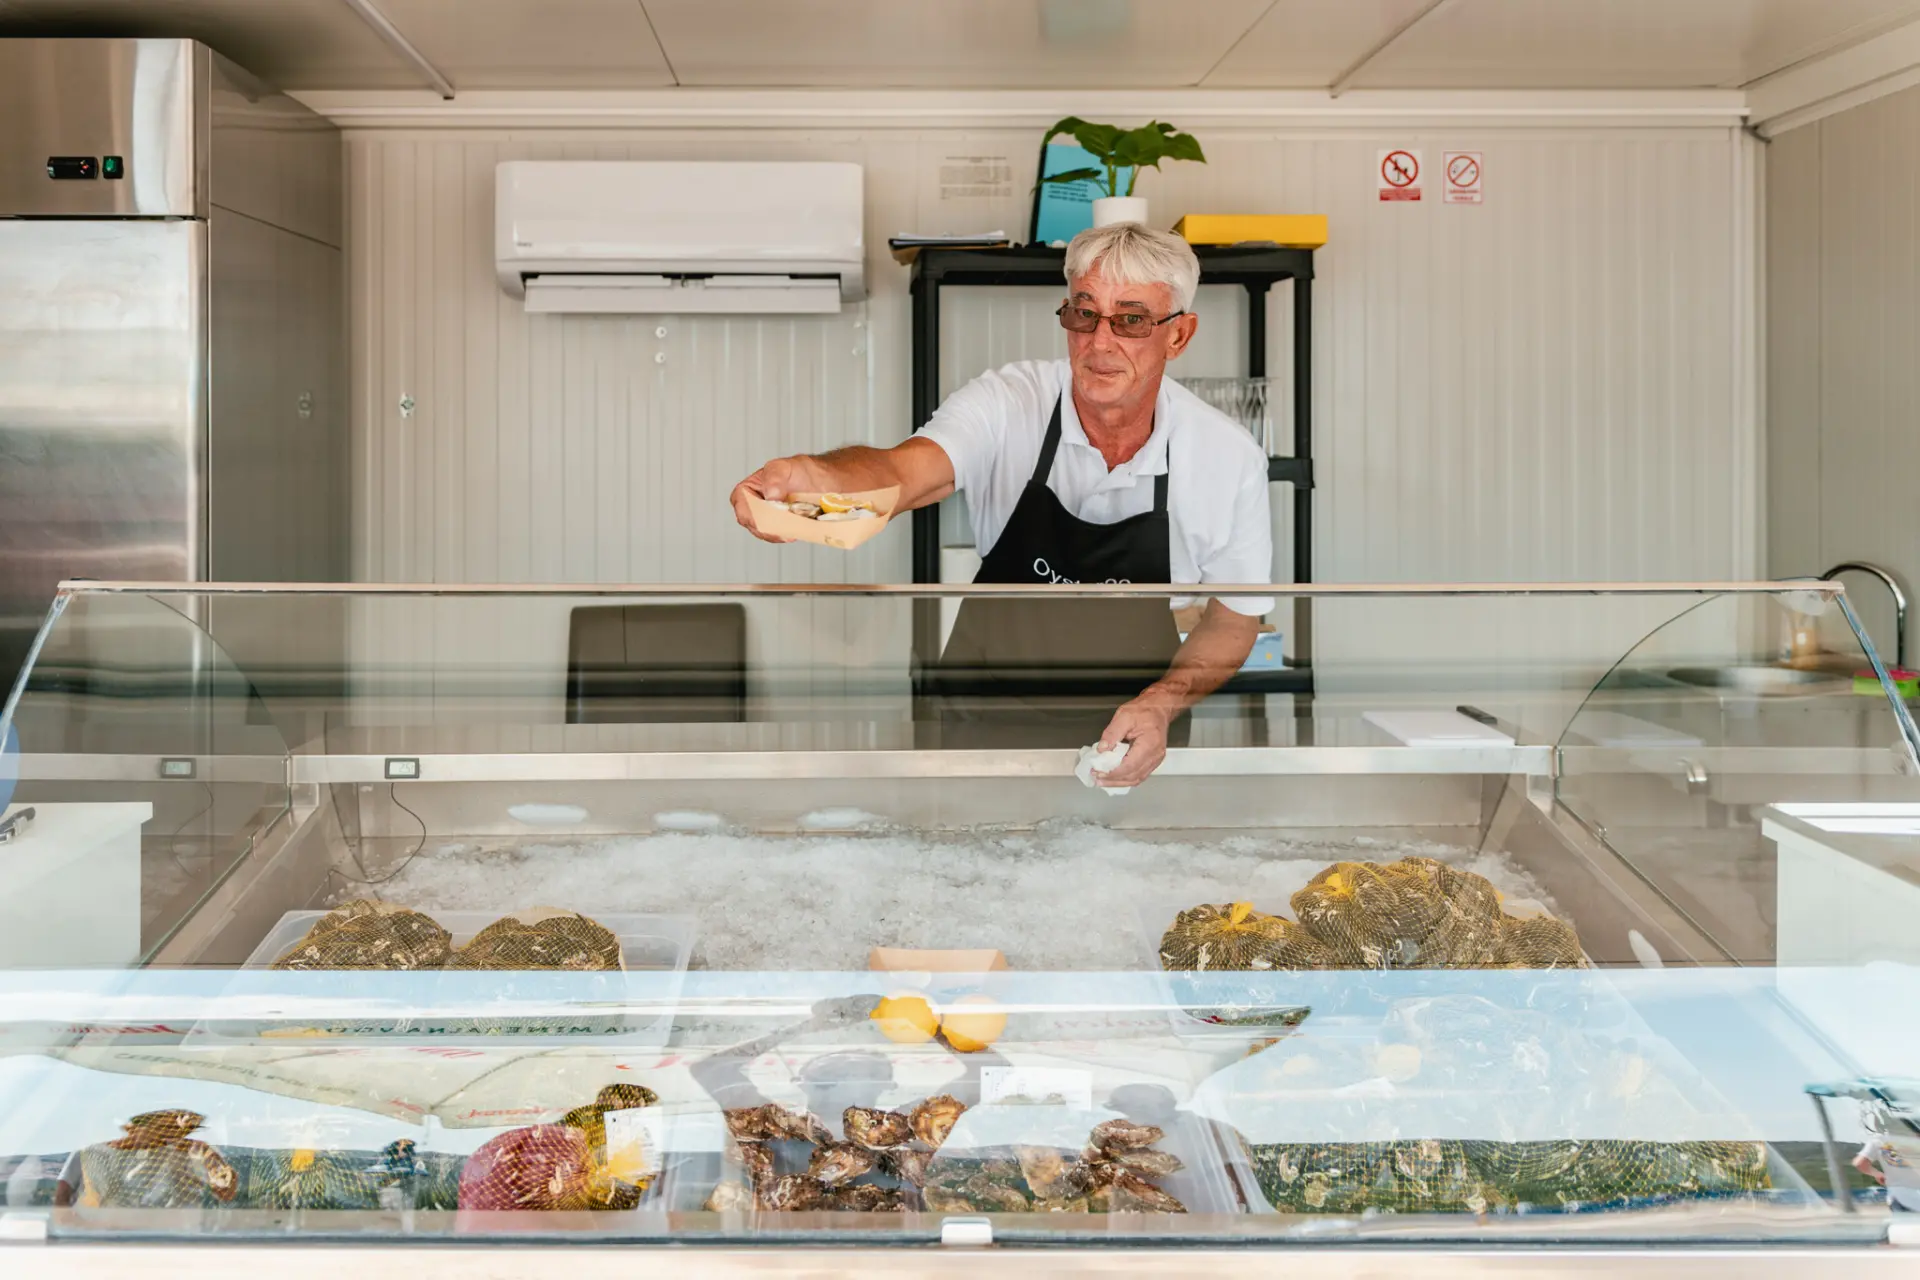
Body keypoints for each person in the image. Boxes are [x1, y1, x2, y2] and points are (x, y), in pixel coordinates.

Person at [731, 223, 1272, 786]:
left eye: (1131, 320)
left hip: (1132, 736)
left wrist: (1163, 703)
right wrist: (816, 476)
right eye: (1084, 313)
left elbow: (1235, 617)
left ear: (1178, 335)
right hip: (981, 720)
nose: (1099, 342)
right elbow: (906, 473)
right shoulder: (1009, 402)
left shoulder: (1227, 458)